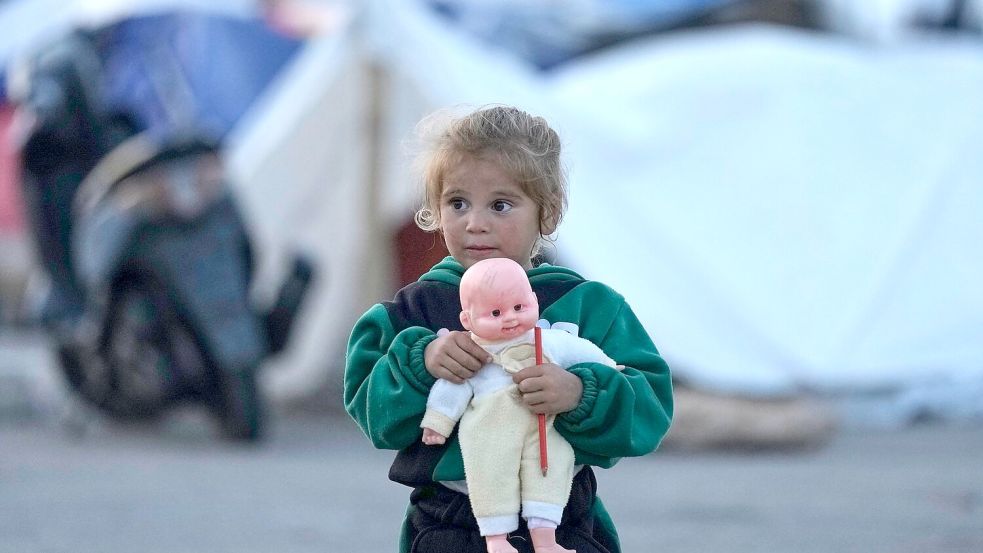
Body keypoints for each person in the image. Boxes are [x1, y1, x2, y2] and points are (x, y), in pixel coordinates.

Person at [344, 105, 673, 553]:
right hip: (449, 523)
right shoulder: (413, 310)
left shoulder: (589, 306)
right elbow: (371, 412)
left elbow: (650, 407)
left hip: (563, 520)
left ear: (547, 212)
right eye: (457, 203)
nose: (475, 223)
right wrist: (421, 364)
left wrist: (581, 394)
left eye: (500, 205)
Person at [421, 257, 619, 553]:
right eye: (495, 313)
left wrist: (610, 366)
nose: (510, 318)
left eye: (519, 307)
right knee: (490, 478)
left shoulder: (549, 341)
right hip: (489, 433)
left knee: (551, 470)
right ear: (467, 320)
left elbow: (582, 351)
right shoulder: (474, 353)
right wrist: (438, 422)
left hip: (544, 428)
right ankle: (496, 540)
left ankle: (546, 540)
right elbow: (451, 389)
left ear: (534, 301)